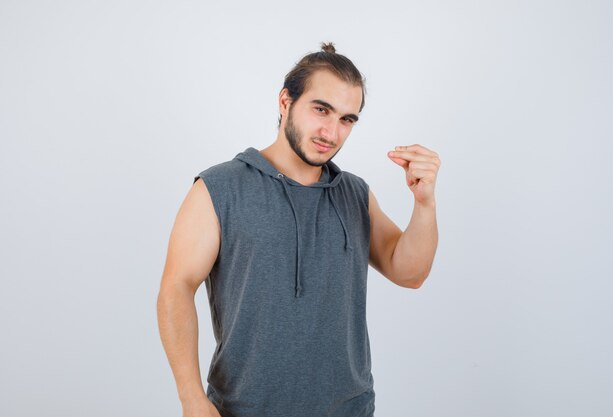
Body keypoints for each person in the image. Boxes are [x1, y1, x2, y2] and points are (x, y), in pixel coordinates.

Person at [157, 42, 440, 417]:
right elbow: (175, 289)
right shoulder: (219, 188)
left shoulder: (354, 193)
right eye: (321, 109)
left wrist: (424, 204)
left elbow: (410, 273)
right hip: (242, 409)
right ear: (285, 102)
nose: (332, 131)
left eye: (346, 119)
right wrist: (191, 397)